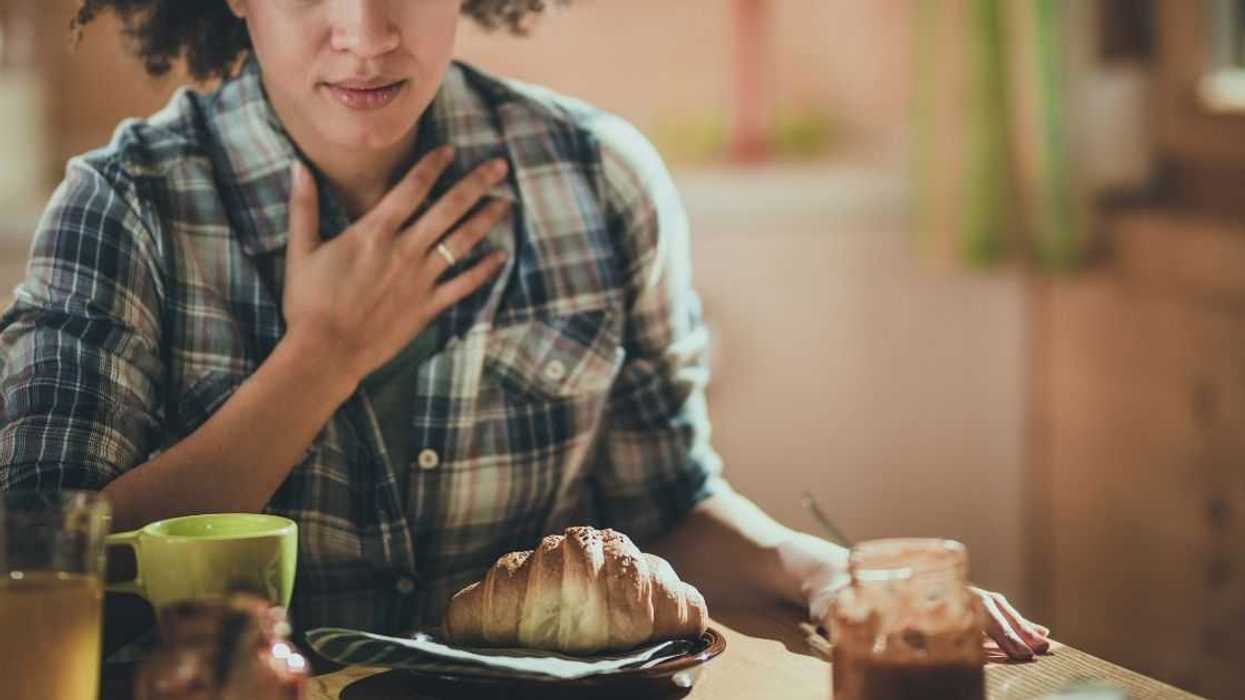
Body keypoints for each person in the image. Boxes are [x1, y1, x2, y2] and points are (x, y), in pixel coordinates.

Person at [0, 0, 1050, 660]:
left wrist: (814, 569)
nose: (366, 31)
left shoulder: (596, 176)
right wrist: (323, 356)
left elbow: (667, 507)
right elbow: (37, 559)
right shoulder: (125, 208)